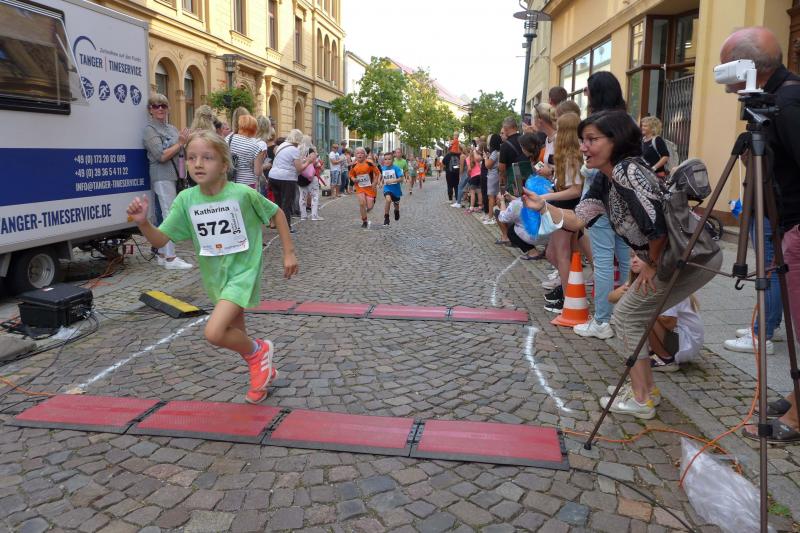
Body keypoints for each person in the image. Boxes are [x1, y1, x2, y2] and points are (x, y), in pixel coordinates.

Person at [523, 110, 721, 419]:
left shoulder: (628, 171)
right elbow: (577, 220)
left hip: (688, 257)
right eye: (582, 140)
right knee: (632, 315)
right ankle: (646, 391)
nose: (583, 147)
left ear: (616, 140)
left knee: (627, 316)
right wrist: (543, 206)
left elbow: (656, 226)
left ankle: (642, 399)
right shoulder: (605, 177)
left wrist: (651, 264)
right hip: (677, 257)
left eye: (592, 140)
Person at [126, 130, 298, 404]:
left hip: (243, 272)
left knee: (215, 332)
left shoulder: (242, 194)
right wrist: (143, 223)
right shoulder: (186, 199)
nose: (198, 164)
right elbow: (160, 240)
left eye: (207, 158)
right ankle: (263, 371)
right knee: (237, 335)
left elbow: (276, 213)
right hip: (215, 276)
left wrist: (288, 253)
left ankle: (260, 351)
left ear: (224, 165)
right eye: (191, 157)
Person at [719, 26, 800, 443]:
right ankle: (797, 397)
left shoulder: (787, 103)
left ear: (748, 67)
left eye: (726, 64)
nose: (721, 73)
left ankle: (798, 417)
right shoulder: (776, 100)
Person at [573, 71, 632, 340]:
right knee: (626, 258)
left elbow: (594, 167)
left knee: (604, 261)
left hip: (601, 200)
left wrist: (586, 170)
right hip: (623, 200)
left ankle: (602, 320)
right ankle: (625, 315)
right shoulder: (626, 120)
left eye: (587, 90)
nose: (586, 147)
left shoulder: (600, 124)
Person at [610, 254, 703, 372]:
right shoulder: (640, 280)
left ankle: (666, 359)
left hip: (686, 344)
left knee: (640, 315)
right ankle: (652, 351)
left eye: (640, 257)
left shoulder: (664, 284)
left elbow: (669, 322)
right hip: (678, 338)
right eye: (632, 256)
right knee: (634, 313)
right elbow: (611, 298)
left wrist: (643, 307)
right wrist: (623, 293)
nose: (634, 260)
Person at [540, 112, 585, 313]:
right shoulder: (568, 154)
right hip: (564, 205)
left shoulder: (572, 157)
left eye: (559, 128)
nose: (556, 132)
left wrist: (546, 197)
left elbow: (575, 190)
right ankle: (569, 290)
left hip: (567, 207)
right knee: (554, 254)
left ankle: (569, 299)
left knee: (562, 254)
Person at [142, 93, 193, 270]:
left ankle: (163, 255)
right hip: (161, 175)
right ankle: (170, 258)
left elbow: (181, 152)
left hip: (174, 175)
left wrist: (183, 173)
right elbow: (161, 156)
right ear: (150, 110)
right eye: (156, 106)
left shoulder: (171, 128)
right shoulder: (150, 130)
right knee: (169, 214)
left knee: (168, 213)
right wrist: (180, 143)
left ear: (168, 108)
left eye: (163, 105)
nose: (160, 109)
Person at [269, 129, 316, 233]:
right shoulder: (294, 150)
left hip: (273, 176)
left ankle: (277, 225)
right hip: (286, 178)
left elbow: (287, 161)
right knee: (286, 203)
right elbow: (299, 169)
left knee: (278, 203)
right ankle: (286, 227)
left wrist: (304, 161)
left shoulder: (282, 145)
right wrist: (308, 161)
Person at [225, 115, 266, 190]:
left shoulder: (228, 139)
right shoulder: (256, 147)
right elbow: (258, 172)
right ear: (254, 129)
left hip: (229, 182)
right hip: (247, 184)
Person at [348, 147, 381, 228]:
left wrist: (375, 182)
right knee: (362, 203)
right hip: (359, 187)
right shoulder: (354, 165)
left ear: (365, 155)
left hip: (369, 188)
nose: (360, 155)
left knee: (369, 207)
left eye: (362, 153)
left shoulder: (369, 163)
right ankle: (364, 221)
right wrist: (353, 179)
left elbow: (377, 173)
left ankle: (373, 199)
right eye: (358, 153)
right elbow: (351, 174)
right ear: (355, 155)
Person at [297, 136, 322, 221]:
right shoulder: (310, 150)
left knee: (302, 196)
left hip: (300, 175)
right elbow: (315, 163)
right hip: (311, 177)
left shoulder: (297, 150)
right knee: (314, 195)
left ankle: (303, 215)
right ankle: (314, 215)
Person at [482, 134, 502, 226]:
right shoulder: (499, 151)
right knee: (495, 196)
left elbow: (488, 165)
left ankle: (491, 217)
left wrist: (485, 158)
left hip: (493, 176)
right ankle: (493, 216)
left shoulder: (494, 153)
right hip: (496, 175)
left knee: (491, 196)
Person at [380, 152, 403, 225]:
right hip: (387, 188)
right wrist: (381, 182)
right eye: (385, 159)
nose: (387, 161)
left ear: (393, 160)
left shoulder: (396, 168)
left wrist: (393, 181)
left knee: (396, 205)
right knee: (388, 200)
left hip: (396, 190)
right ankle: (386, 217)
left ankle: (396, 211)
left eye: (389, 159)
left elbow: (401, 179)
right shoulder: (383, 168)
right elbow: (382, 177)